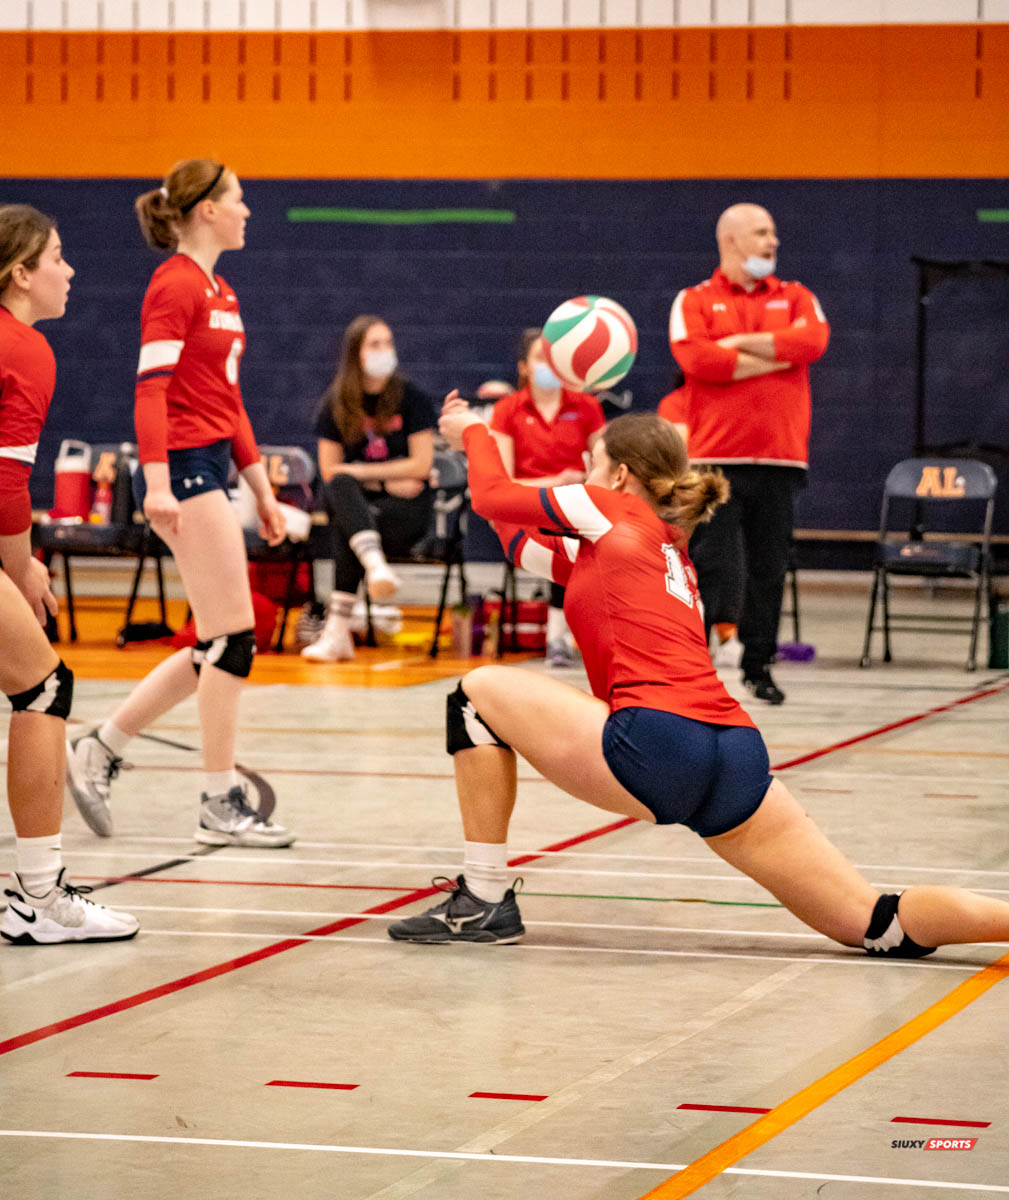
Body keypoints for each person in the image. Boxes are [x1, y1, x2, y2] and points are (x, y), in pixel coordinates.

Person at [388, 398, 1009, 962]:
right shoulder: (663, 546)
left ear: (623, 474)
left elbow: (492, 497)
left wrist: (472, 430)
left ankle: (484, 896)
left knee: (475, 694)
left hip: (655, 741)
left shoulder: (610, 507)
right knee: (877, 924)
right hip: (732, 749)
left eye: (591, 462)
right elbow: (518, 540)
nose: (581, 473)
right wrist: (498, 446)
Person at [65, 160, 294, 848]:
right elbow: (150, 389)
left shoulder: (221, 289)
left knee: (218, 640)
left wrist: (262, 489)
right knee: (234, 638)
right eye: (238, 199)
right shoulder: (173, 284)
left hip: (212, 467)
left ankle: (101, 746)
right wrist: (158, 482)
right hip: (183, 470)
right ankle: (217, 797)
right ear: (205, 211)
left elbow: (229, 402)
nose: (248, 210)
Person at [0, 204, 138, 942]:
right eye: (56, 255)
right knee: (44, 686)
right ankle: (39, 899)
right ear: (21, 274)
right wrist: (23, 572)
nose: (70, 269)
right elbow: (7, 487)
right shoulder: (23, 348)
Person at [670, 202, 829, 704]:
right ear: (732, 240)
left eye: (774, 232)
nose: (773, 241)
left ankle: (759, 666)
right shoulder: (693, 299)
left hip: (781, 458)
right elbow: (696, 358)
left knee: (768, 567)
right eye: (763, 233)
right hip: (716, 459)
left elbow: (813, 342)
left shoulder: (798, 295)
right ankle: (703, 667)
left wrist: (736, 346)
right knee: (714, 565)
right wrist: (775, 357)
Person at [302, 315, 436, 662]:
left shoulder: (412, 398)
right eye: (375, 345)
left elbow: (422, 465)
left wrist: (363, 473)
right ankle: (373, 566)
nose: (385, 351)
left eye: (388, 343)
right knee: (343, 491)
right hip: (364, 507)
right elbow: (331, 471)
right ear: (356, 354)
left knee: (350, 525)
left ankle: (337, 633)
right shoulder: (337, 402)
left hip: (405, 513)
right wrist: (387, 477)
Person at [489, 328, 605, 667]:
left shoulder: (586, 406)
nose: (550, 367)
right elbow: (505, 482)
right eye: (542, 359)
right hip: (530, 508)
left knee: (586, 525)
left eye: (555, 359)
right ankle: (557, 635)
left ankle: (579, 633)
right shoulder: (507, 410)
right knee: (564, 529)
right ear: (524, 366)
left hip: (576, 504)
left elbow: (608, 464)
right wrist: (556, 482)